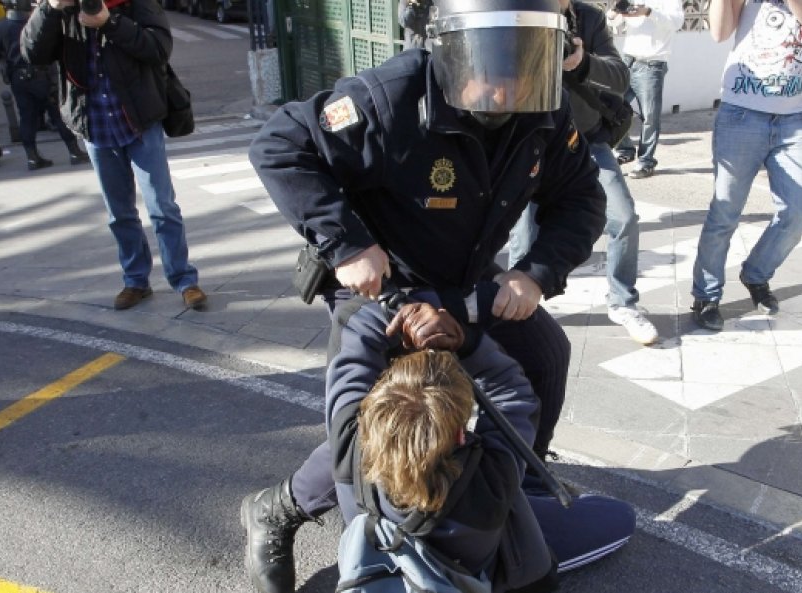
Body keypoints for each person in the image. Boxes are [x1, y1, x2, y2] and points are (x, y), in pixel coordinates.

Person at [242, 0, 608, 591]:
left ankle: (502, 488)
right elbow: (281, 146)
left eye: (529, 57)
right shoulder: (387, 100)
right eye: (496, 58)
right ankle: (279, 509)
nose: (510, 79)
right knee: (380, 421)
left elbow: (583, 200)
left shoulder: (541, 109)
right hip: (386, 285)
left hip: (468, 281)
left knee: (544, 354)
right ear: (453, 46)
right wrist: (347, 245)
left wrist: (535, 273)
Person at [327, 296, 636, 591]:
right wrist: (466, 341)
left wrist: (389, 310)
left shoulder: (349, 447)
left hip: (393, 554)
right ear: (460, 434)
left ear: (373, 410)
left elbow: (349, 337)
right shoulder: (492, 475)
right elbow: (514, 393)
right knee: (620, 517)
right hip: (477, 555)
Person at [21, 0, 207, 311]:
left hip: (139, 121)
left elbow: (159, 48)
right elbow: (32, 53)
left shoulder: (137, 4)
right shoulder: (63, 10)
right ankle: (135, 280)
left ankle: (184, 280)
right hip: (95, 125)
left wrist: (110, 22)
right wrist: (50, 8)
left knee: (162, 207)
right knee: (118, 212)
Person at [690, 0, 802, 331]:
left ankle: (755, 274)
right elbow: (720, 32)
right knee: (725, 212)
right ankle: (706, 295)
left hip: (795, 118)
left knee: (798, 212)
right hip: (740, 112)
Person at [509, 0, 658, 345]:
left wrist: (582, 62)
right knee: (525, 233)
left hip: (584, 139)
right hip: (530, 139)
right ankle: (518, 313)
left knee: (623, 217)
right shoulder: (516, 10)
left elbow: (620, 76)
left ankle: (623, 303)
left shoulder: (587, 17)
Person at [0, 0, 89, 170]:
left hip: (19, 79)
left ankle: (32, 157)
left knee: (27, 118)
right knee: (57, 114)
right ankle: (74, 151)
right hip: (42, 75)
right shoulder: (34, 21)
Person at [607, 0, 684, 179]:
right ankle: (625, 149)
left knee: (649, 116)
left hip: (652, 64)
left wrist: (648, 11)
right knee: (613, 107)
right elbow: (612, 22)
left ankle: (646, 161)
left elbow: (676, 23)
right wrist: (615, 10)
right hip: (628, 61)